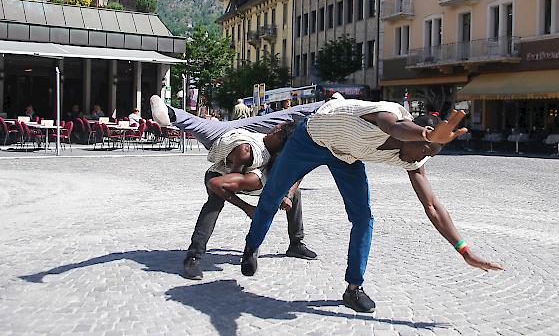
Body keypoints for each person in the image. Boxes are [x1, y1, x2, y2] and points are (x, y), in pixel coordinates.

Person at [241, 96, 503, 313]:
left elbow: (432, 205)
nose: (422, 158)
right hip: (311, 138)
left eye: (429, 154)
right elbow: (392, 126)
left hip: (346, 156)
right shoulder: (387, 115)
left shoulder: (414, 160)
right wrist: (427, 133)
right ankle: (252, 245)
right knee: (274, 193)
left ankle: (354, 288)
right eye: (424, 149)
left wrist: (464, 250)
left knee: (363, 217)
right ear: (415, 135)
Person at [150, 95, 323, 280]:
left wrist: (287, 194)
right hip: (223, 175)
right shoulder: (248, 150)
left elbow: (299, 173)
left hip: (252, 175)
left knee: (295, 194)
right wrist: (247, 208)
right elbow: (221, 184)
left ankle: (296, 243)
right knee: (215, 201)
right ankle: (193, 257)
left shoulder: (279, 154)